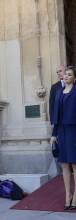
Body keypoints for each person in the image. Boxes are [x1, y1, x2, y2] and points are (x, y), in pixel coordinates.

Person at [50, 66, 76, 210]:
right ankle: (68, 195)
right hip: (61, 131)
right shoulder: (58, 92)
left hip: (73, 130)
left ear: (74, 78)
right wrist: (54, 134)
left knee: (74, 164)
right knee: (64, 164)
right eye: (65, 74)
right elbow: (56, 116)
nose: (66, 76)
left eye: (69, 74)